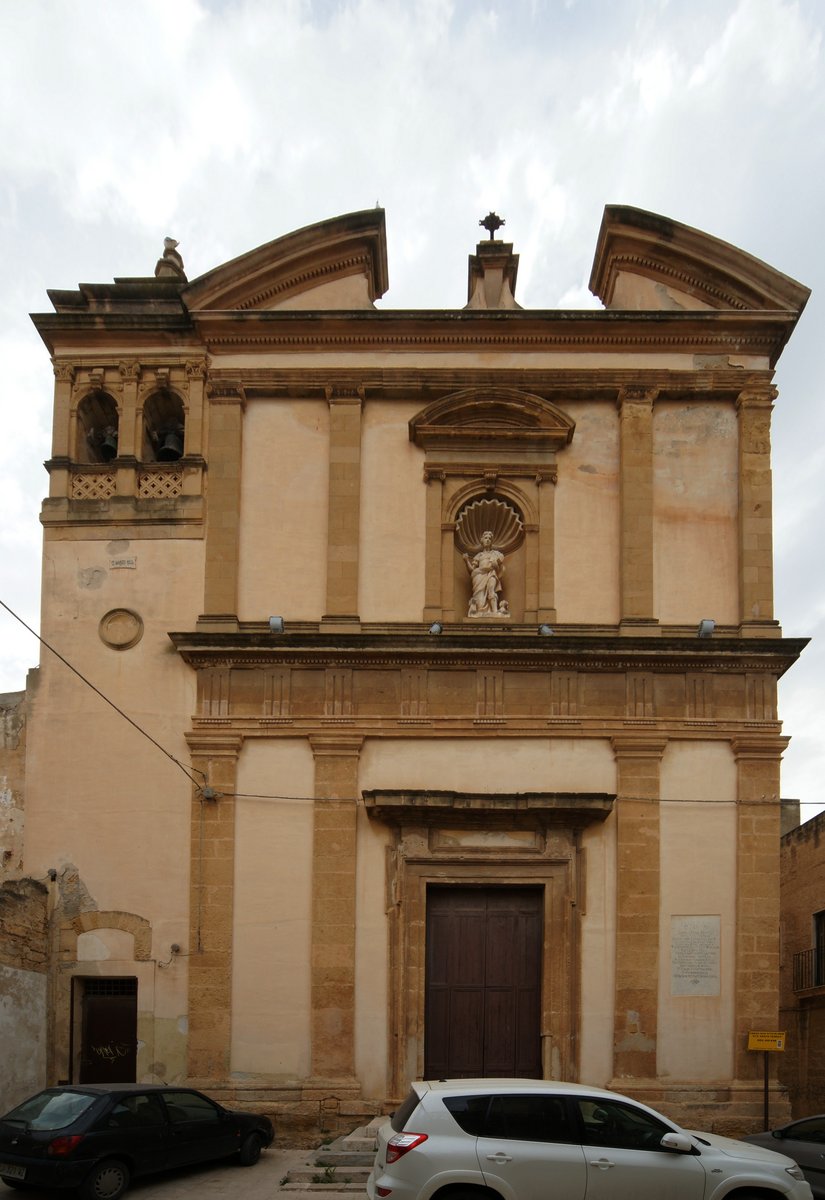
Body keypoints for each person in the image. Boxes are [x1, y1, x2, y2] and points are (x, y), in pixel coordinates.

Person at [463, 531, 506, 616]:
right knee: (480, 597)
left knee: (491, 590)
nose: (488, 540)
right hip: (479, 576)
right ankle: (479, 610)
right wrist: (466, 560)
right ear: (482, 540)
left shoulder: (496, 554)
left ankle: (494, 611)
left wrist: (497, 565)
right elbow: (472, 570)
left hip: (491, 573)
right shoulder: (479, 555)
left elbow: (501, 567)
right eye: (486, 538)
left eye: (490, 538)